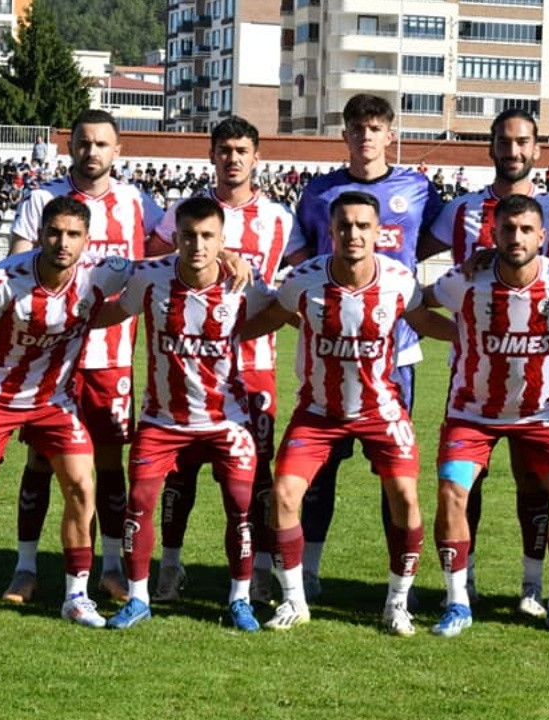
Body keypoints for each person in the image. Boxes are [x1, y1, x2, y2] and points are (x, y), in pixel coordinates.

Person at [240, 191, 456, 635]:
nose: (353, 234)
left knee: (405, 496)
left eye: (362, 226)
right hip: (319, 412)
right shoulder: (305, 279)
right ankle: (295, 601)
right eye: (344, 226)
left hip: (382, 409)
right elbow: (275, 314)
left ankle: (397, 603)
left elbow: (425, 323)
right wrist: (225, 334)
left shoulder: (399, 279)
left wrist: (472, 336)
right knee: (284, 495)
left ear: (379, 233)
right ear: (331, 231)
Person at [0, 196, 133, 631]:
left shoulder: (102, 272)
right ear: (41, 232)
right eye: (54, 232)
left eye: (72, 234)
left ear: (87, 239)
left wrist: (227, 256)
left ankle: (76, 596)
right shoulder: (4, 278)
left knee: (84, 488)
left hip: (54, 402)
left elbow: (163, 266)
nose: (62, 242)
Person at [284, 94, 448, 603]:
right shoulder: (319, 192)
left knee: (394, 472)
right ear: (345, 135)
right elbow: (306, 259)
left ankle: (398, 583)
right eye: (356, 128)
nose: (365, 137)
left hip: (395, 354)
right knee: (319, 471)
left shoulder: (419, 189)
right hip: (331, 354)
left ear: (390, 134)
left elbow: (429, 244)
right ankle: (307, 573)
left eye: (375, 128)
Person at [4, 110, 167, 606]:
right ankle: (25, 568)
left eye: (101, 144)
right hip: (50, 359)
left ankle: (111, 569)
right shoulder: (42, 199)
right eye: (83, 142)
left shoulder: (139, 203)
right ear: (69, 146)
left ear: (117, 151)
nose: (91, 151)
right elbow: (15, 267)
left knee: (109, 461)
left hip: (110, 359)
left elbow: (168, 255)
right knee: (39, 460)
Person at [92, 196, 273, 632]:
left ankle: (240, 599)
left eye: (208, 236)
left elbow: (288, 309)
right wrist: (67, 321)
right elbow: (111, 311)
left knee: (241, 507)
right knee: (139, 503)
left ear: (222, 240)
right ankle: (138, 598)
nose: (197, 245)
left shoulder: (244, 284)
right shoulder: (150, 278)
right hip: (163, 421)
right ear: (175, 238)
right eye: (188, 235)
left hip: (227, 421)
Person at [429, 108, 549, 616]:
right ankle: (462, 584)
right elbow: (417, 259)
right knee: (466, 484)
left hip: (536, 379)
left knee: (535, 483)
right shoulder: (462, 209)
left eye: (523, 142)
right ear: (490, 147)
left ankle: (533, 588)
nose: (513, 151)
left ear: (537, 149)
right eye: (504, 141)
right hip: (474, 378)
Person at [148, 116, 300, 606]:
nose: (233, 158)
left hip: (252, 365)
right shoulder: (186, 213)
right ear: (211, 155)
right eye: (225, 150)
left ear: (257, 157)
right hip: (186, 362)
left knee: (255, 476)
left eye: (242, 150)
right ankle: (169, 568)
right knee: (179, 472)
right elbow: (153, 265)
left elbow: (287, 287)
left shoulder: (280, 218)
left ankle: (254, 571)